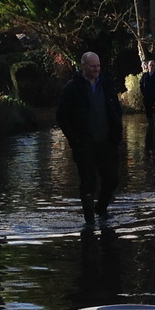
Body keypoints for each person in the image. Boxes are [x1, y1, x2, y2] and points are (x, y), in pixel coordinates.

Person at [56, 51, 123, 226]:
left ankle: (101, 209)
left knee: (112, 179)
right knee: (88, 182)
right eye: (93, 66)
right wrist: (74, 139)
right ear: (83, 66)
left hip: (107, 141)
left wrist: (117, 132)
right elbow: (62, 116)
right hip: (84, 143)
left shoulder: (106, 85)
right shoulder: (72, 88)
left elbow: (116, 110)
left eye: (98, 66)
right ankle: (90, 221)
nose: (96, 69)